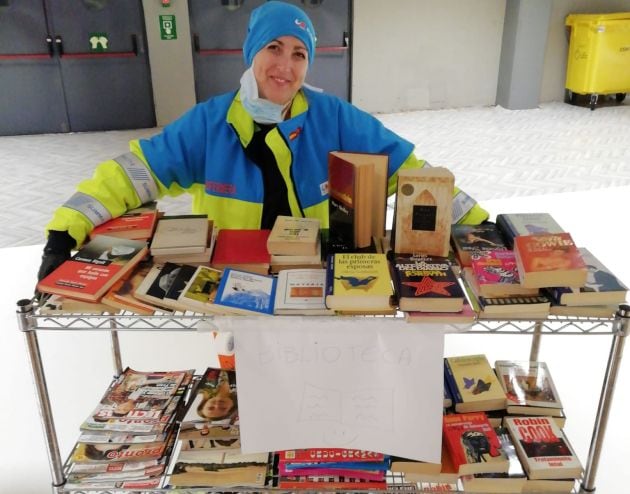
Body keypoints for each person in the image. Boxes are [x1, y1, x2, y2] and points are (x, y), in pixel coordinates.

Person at [36, 1, 488, 284]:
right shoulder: (210, 123)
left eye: (299, 54)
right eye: (274, 48)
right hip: (231, 277)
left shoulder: (332, 116)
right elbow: (135, 173)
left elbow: (411, 172)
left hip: (314, 275)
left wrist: (478, 227)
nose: (285, 67)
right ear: (252, 51)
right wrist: (65, 228)